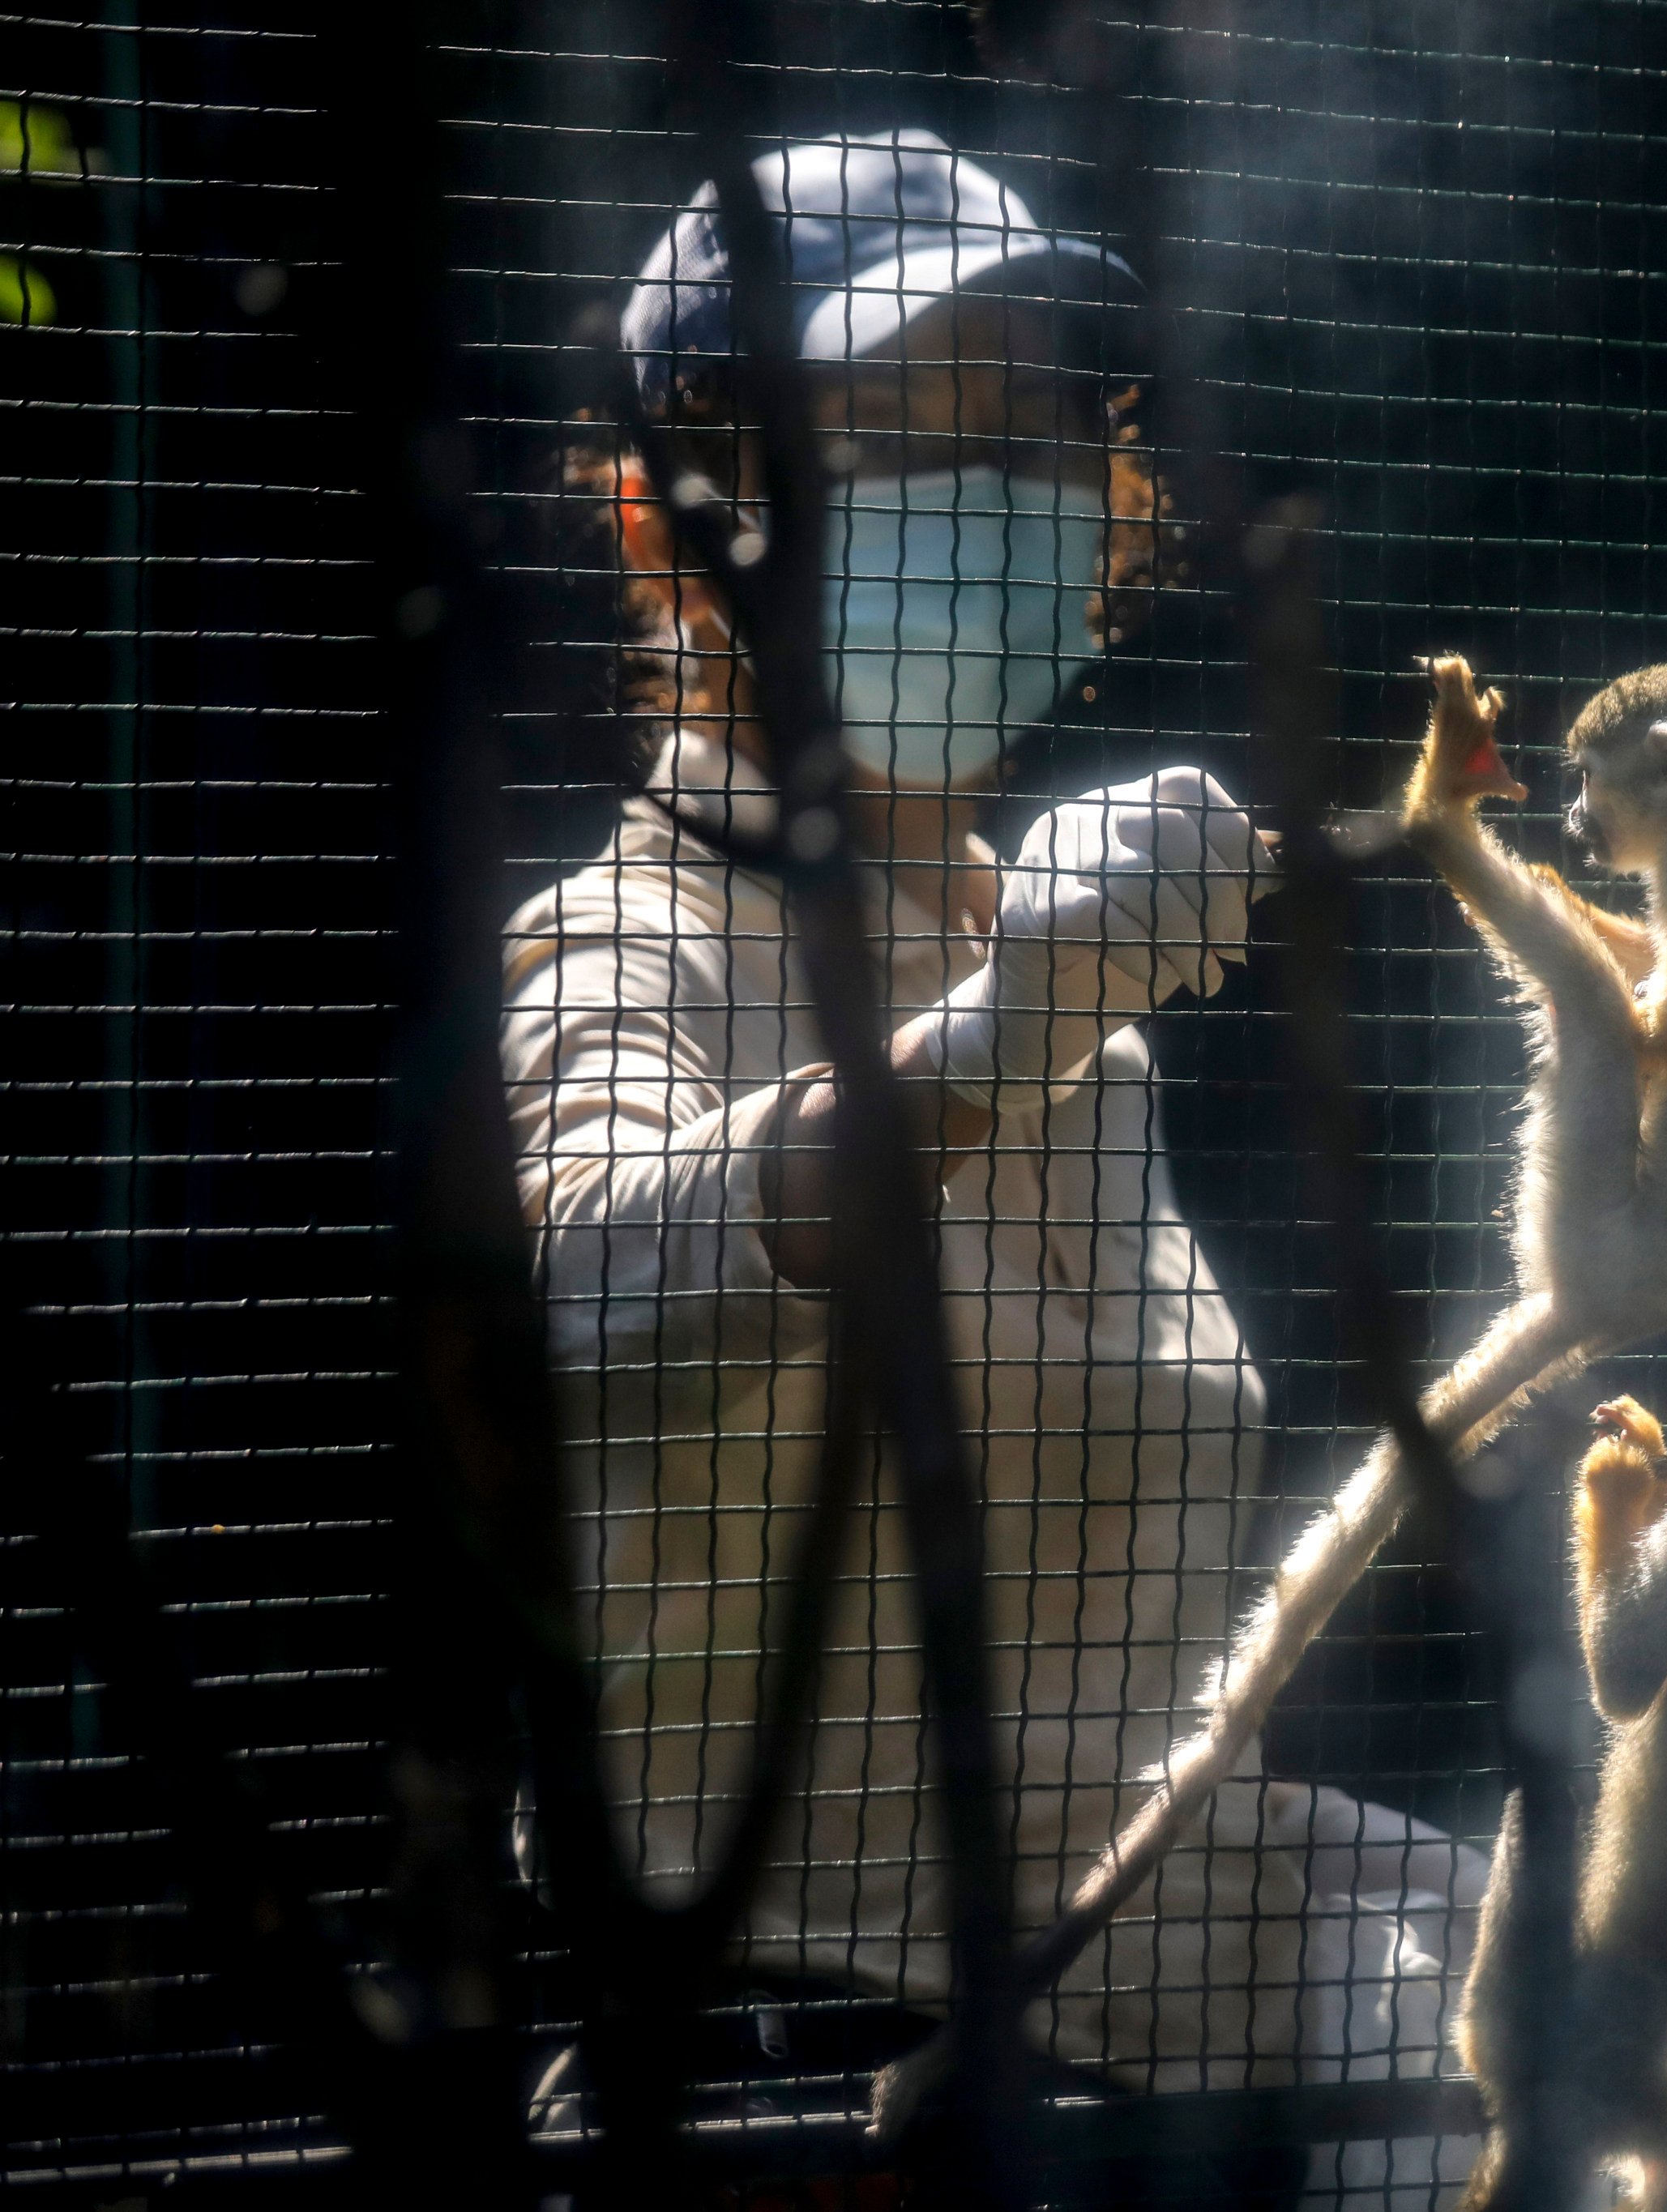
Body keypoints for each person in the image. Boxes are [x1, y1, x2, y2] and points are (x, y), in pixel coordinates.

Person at [502, 131, 1483, 2108]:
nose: (994, 493)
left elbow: (1092, 1712)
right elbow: (585, 1263)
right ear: (670, 517)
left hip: (1116, 2021)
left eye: (1032, 421)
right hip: (770, 2070)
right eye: (888, 431)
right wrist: (993, 1033)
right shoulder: (628, 943)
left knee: (1555, 2003)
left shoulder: (1084, 1022)